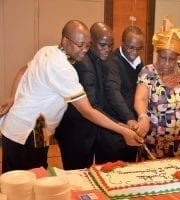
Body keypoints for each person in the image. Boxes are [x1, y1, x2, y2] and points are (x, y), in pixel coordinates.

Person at [0, 20, 142, 173]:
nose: (84, 50)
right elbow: (87, 110)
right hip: (25, 132)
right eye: (80, 45)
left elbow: (23, 71)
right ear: (65, 40)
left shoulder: (47, 50)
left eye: (87, 45)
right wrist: (122, 130)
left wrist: (12, 97)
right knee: (21, 185)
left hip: (40, 129)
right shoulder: (62, 68)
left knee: (39, 174)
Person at [54, 22, 115, 169]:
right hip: (76, 133)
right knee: (76, 176)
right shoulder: (85, 65)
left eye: (110, 45)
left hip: (84, 131)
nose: (107, 49)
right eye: (102, 45)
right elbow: (91, 107)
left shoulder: (95, 59)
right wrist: (119, 126)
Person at [134, 17, 180, 161]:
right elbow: (140, 98)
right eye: (162, 57)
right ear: (157, 54)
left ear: (178, 57)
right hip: (155, 142)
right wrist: (143, 117)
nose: (166, 63)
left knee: (179, 179)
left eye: (172, 59)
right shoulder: (148, 72)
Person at [99, 25, 144, 162]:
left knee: (129, 171)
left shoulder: (139, 63)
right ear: (122, 43)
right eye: (130, 47)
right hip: (114, 130)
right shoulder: (112, 62)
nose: (134, 52)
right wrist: (129, 117)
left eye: (138, 49)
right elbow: (113, 93)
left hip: (132, 127)